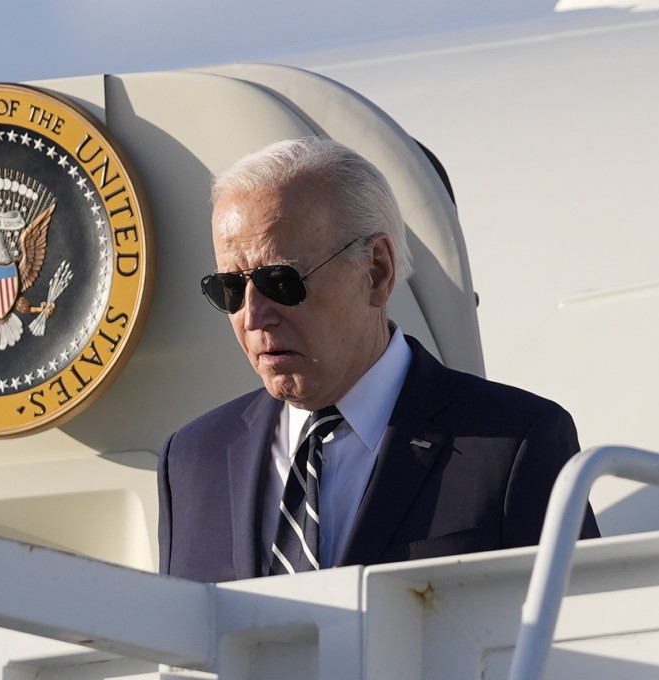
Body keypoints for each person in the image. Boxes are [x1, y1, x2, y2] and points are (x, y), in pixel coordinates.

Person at [157, 137, 598, 583]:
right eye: (229, 289)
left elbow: (581, 637)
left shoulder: (513, 443)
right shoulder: (193, 461)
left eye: (280, 281)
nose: (253, 316)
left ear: (377, 271)